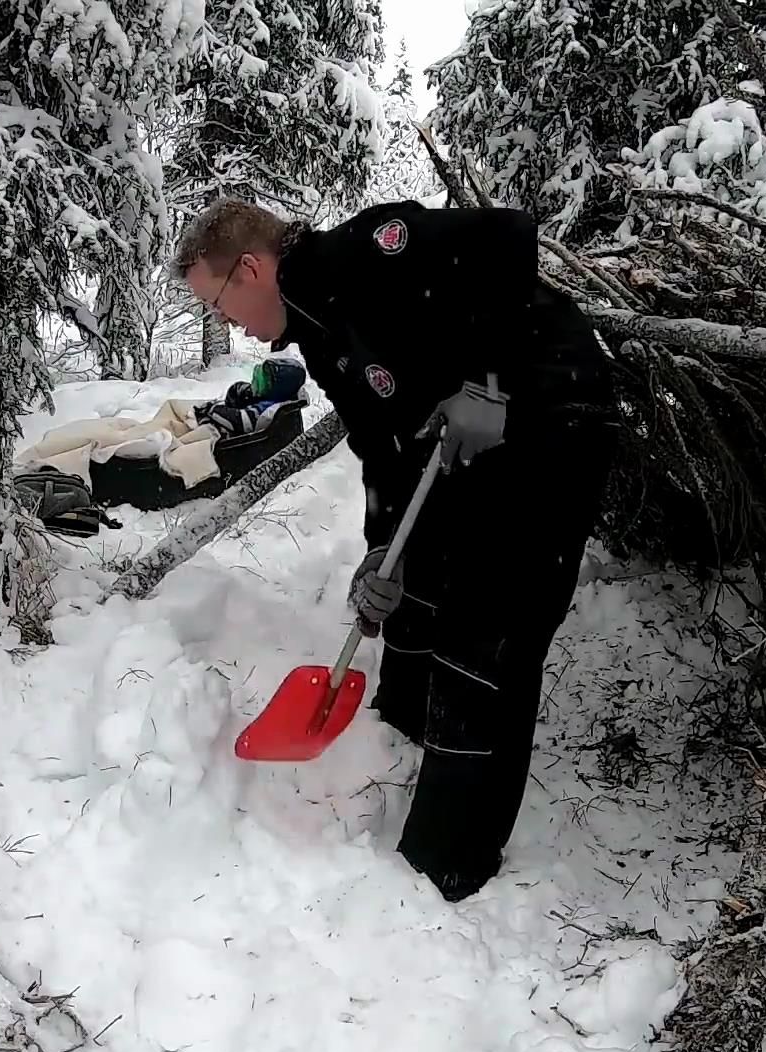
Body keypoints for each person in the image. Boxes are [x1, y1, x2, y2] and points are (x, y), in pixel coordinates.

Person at [171, 196, 616, 901]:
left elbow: (508, 234)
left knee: (485, 640)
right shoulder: (319, 336)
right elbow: (381, 446)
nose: (230, 327)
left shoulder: (366, 252)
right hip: (470, 446)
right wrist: (385, 554)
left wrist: (487, 381)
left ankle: (443, 870)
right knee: (415, 597)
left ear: (252, 268)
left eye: (221, 306)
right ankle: (395, 753)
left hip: (552, 417)